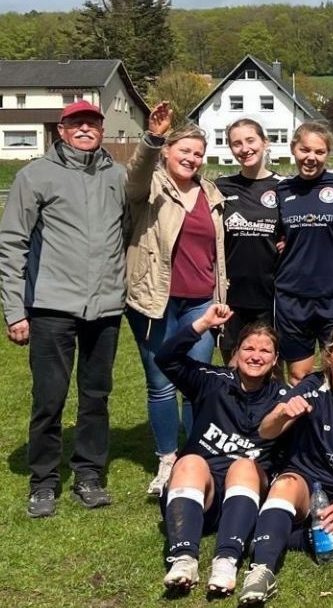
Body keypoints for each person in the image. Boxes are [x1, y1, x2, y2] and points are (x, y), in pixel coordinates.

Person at [0, 100, 141, 517]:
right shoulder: (35, 175)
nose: (84, 129)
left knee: (96, 396)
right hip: (51, 306)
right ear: (61, 130)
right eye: (75, 123)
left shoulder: (117, 175)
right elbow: (12, 244)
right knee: (49, 399)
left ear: (102, 129)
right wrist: (14, 309)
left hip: (105, 307)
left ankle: (89, 474)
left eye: (91, 123)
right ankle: (43, 482)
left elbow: (127, 231)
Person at [236, 321, 333, 605]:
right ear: (329, 357)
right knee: (284, 486)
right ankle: (261, 570)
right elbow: (265, 431)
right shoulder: (312, 386)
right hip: (308, 483)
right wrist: (282, 413)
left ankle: (293, 536)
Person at [124, 102, 229, 496]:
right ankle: (167, 459)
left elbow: (217, 250)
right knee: (161, 382)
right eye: (184, 150)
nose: (191, 158)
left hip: (201, 302)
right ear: (167, 151)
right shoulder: (150, 188)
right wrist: (152, 137)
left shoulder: (210, 193)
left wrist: (221, 294)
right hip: (156, 301)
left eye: (198, 153)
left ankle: (194, 457)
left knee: (195, 382)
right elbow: (134, 176)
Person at [155, 304, 286, 595]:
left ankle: (226, 560)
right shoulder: (212, 381)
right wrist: (202, 324)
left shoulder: (283, 399)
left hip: (246, 497)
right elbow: (165, 358)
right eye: (248, 348)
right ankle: (184, 558)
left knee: (244, 464)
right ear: (236, 353)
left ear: (276, 359)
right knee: (188, 461)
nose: (256, 356)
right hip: (201, 496)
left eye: (265, 351)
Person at [274, 122, 333, 386]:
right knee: (299, 376)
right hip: (292, 297)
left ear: (328, 154)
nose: (311, 157)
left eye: (319, 152)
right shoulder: (281, 189)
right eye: (305, 150)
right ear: (294, 149)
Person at [215, 118, 284, 363]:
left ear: (265, 142)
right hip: (231, 296)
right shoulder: (220, 188)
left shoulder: (283, 188)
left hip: (270, 295)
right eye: (237, 143)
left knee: (269, 368)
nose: (244, 148)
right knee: (234, 369)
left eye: (250, 140)